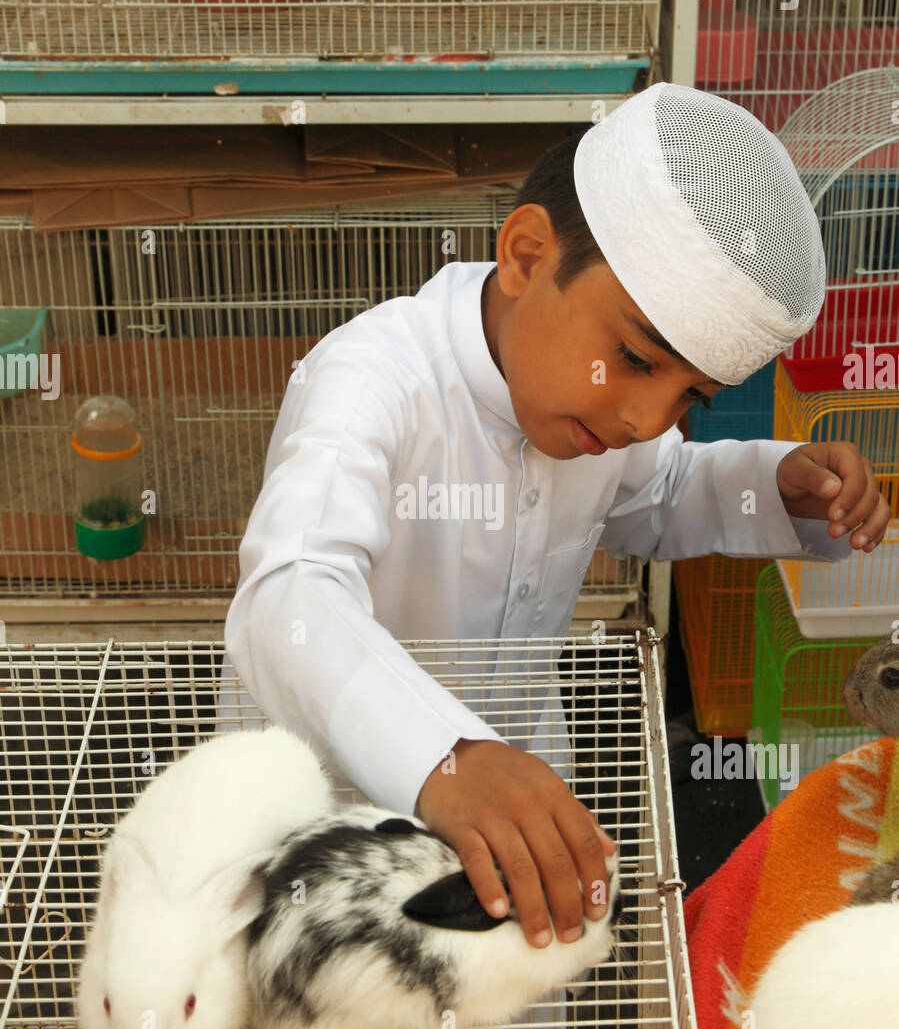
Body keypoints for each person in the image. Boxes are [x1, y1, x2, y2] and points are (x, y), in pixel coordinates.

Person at [224, 83, 889, 956]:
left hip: (517, 775)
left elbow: (655, 496)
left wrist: (773, 484)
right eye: (634, 359)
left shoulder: (594, 412)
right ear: (527, 254)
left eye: (689, 394)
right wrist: (444, 760)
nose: (646, 419)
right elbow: (289, 600)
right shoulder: (371, 383)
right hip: (340, 811)